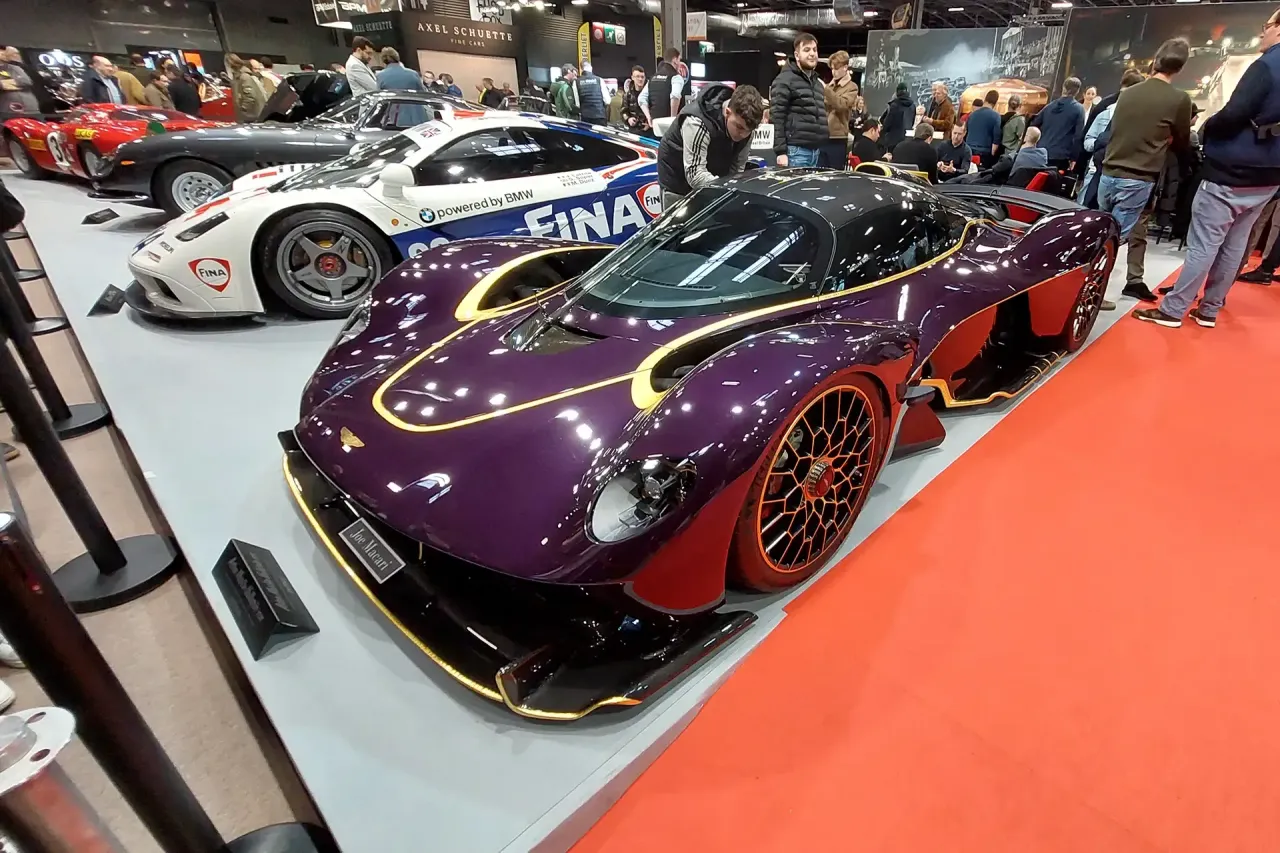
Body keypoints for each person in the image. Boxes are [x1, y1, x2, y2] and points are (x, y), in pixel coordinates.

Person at [1135, 9, 1280, 327]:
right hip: (1269, 173)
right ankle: (1209, 310)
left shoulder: (1267, 66)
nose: (1262, 32)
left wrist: (1209, 127)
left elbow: (1235, 113)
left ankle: (1173, 310)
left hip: (1232, 169)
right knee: (1236, 242)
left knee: (1205, 243)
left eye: (1267, 26)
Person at [1099, 37, 1192, 302]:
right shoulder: (1179, 99)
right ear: (1181, 67)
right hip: (1139, 177)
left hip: (1109, 173)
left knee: (1106, 234)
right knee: (1111, 241)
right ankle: (1091, 294)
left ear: (1156, 60)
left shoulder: (1128, 94)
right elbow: (1182, 141)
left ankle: (1132, 280)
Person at [657, 83, 765, 205]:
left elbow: (737, 171)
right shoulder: (697, 121)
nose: (743, 135)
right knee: (680, 216)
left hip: (711, 172)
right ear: (727, 112)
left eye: (749, 130)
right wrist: (724, 188)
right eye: (739, 127)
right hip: (677, 178)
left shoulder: (747, 129)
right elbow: (695, 174)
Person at [1078, 70, 1145, 206]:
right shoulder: (1106, 108)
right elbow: (1088, 138)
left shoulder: (1141, 112)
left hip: (1119, 173)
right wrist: (1100, 144)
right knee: (1087, 207)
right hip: (1100, 169)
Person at [770, 32, 826, 167]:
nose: (812, 54)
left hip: (816, 151)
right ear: (797, 55)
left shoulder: (817, 84)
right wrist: (781, 152)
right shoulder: (784, 80)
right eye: (806, 50)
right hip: (795, 152)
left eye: (814, 50)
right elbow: (777, 117)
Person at [1031, 76, 1086, 171]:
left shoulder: (1049, 106)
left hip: (1040, 152)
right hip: (1061, 156)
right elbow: (1078, 136)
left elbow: (1033, 124)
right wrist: (1074, 158)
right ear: (1077, 91)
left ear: (1063, 87)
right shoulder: (1079, 109)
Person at [822, 50, 858, 169]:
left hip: (838, 137)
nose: (834, 72)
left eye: (836, 68)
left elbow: (841, 105)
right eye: (832, 68)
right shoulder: (830, 86)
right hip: (822, 135)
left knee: (834, 173)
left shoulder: (852, 87)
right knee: (819, 173)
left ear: (845, 67)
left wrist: (826, 91)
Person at [640, 47, 685, 125]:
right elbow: (675, 96)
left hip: (655, 123)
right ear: (675, 60)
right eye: (679, 59)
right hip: (669, 123)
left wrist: (649, 117)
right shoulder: (676, 77)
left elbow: (641, 98)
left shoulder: (653, 78)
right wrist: (672, 119)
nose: (680, 63)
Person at [966, 89, 1002, 167]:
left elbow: (966, 131)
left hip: (969, 150)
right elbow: (996, 139)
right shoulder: (996, 116)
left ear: (985, 100)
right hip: (984, 153)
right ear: (996, 103)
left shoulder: (972, 115)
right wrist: (993, 155)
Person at [0, 47, 40, 118]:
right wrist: (4, 84)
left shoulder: (13, 67)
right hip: (7, 109)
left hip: (29, 107)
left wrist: (5, 84)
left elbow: (26, 81)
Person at [226, 53, 264, 124]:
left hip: (249, 116)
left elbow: (250, 96)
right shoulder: (238, 76)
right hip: (246, 115)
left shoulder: (244, 76)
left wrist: (243, 108)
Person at [879, 82, 914, 149]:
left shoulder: (894, 105)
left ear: (897, 92)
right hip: (907, 140)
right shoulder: (912, 105)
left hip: (893, 140)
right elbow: (912, 122)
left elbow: (887, 124)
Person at [620, 65, 650, 134]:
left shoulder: (650, 93)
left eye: (642, 77)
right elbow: (623, 112)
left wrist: (650, 122)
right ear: (632, 77)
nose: (640, 79)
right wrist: (628, 119)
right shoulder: (627, 95)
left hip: (648, 130)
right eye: (637, 76)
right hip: (633, 130)